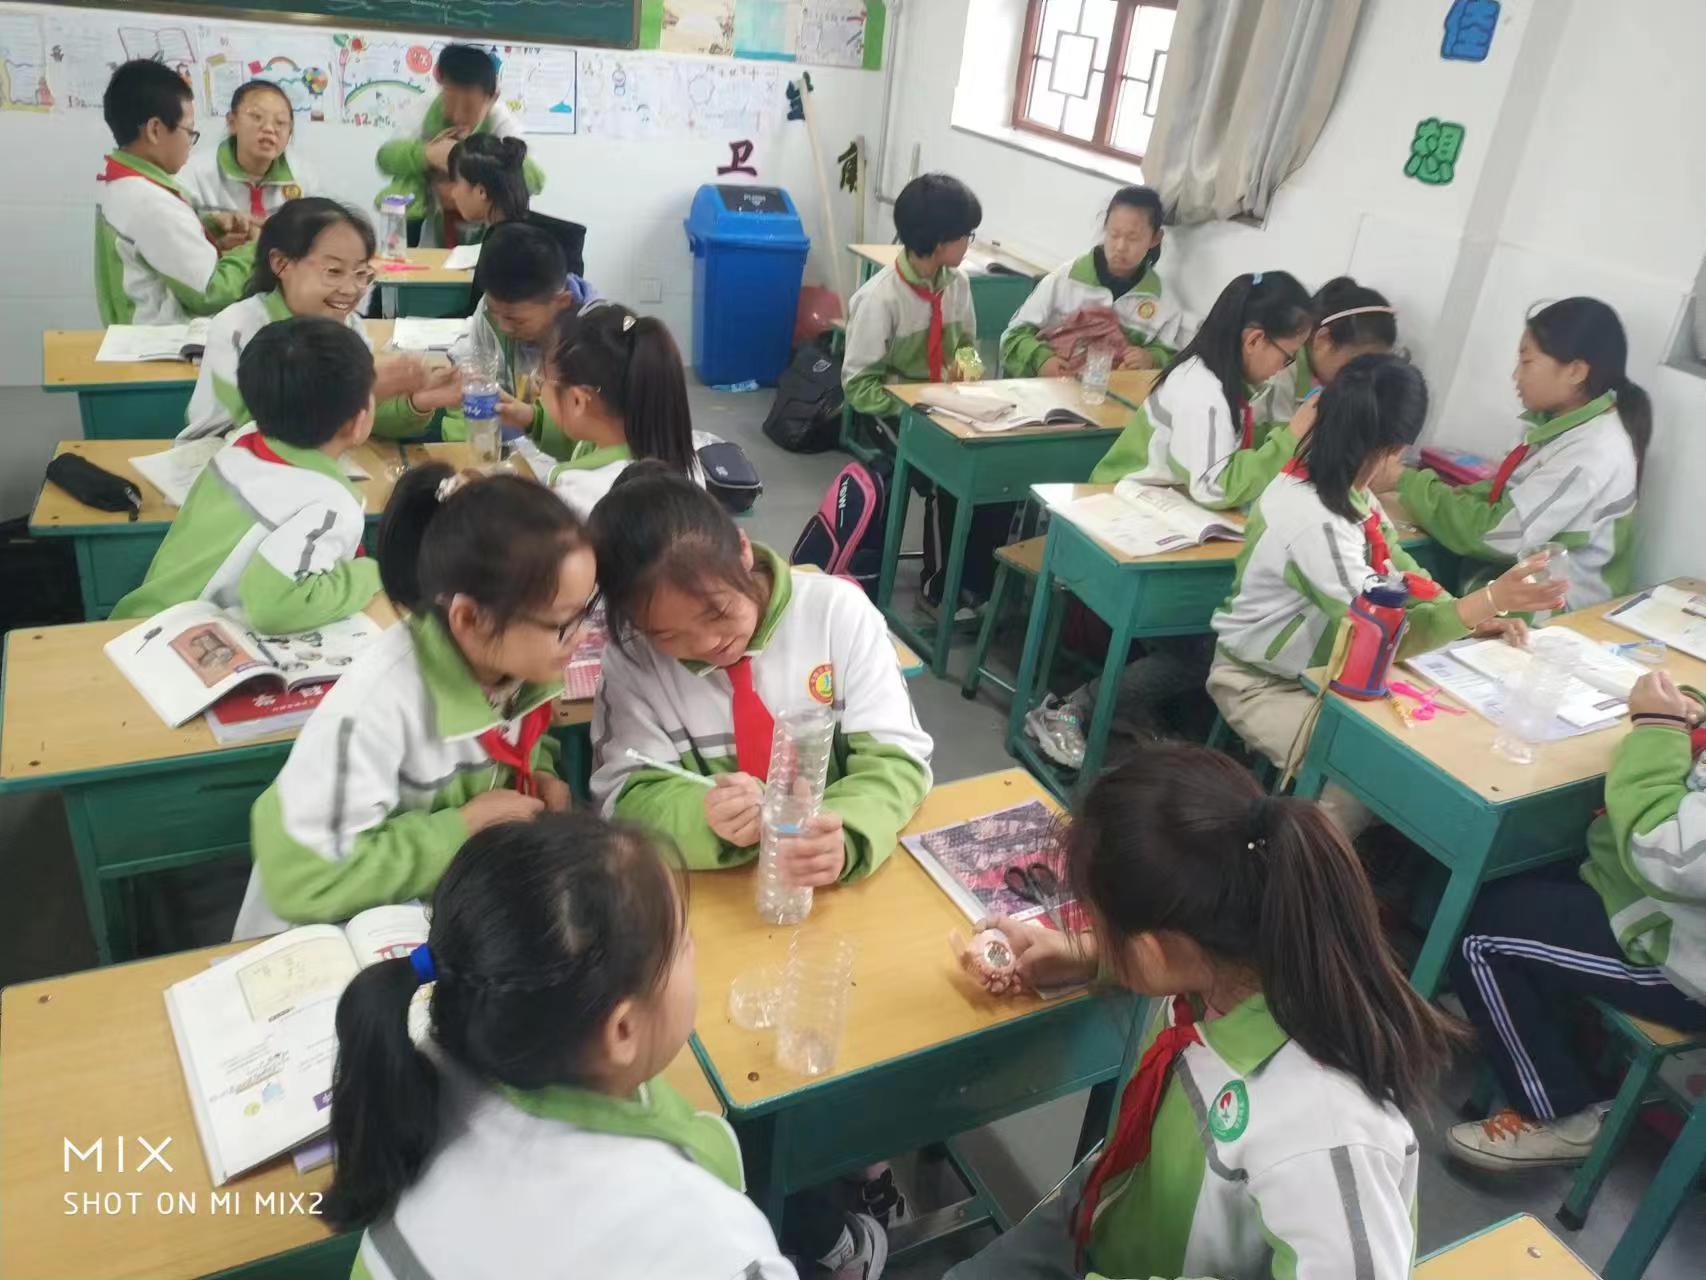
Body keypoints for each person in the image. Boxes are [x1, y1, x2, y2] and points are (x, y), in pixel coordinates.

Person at [949, 743, 1463, 1279]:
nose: (1090, 933)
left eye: (1097, 925)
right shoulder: (1244, 956)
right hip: (1110, 1210)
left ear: (1153, 950)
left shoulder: (1328, 1131)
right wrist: (1088, 954)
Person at [324, 813, 798, 1279]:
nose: (693, 946)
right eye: (680, 944)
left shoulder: (430, 1076)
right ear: (622, 1031)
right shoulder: (705, 1241)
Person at [1206, 354, 1566, 839]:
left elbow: (1400, 570)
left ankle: (1342, 859)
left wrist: (1467, 614)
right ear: (1393, 449)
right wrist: (1486, 601)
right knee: (1368, 774)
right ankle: (1299, 868)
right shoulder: (1314, 520)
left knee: (1425, 748)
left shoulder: (1347, 490)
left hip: (1324, 678)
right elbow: (1382, 633)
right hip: (1262, 685)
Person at [235, 464, 594, 939]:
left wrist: (538, 775)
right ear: (471, 619)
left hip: (442, 908)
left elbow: (512, 739)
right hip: (325, 938)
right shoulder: (374, 710)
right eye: (565, 622)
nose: (583, 636)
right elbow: (301, 879)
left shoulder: (517, 670)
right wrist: (462, 830)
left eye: (589, 608)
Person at [589, 465, 933, 883]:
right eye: (668, 635)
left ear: (742, 549)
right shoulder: (634, 660)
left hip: (829, 884)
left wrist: (847, 834)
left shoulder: (837, 614)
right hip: (716, 891)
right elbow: (623, 800)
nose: (708, 643)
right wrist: (703, 816)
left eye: (717, 612)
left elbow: (897, 760)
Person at [1446, 669, 1706, 1172]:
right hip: (1657, 905)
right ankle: (1510, 1017)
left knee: (1481, 936)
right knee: (1514, 872)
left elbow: (1668, 853)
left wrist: (1658, 730)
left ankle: (1558, 1114)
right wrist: (1688, 711)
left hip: (1680, 963)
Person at [111, 316, 380, 630]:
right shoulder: (331, 505)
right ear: (357, 422)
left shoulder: (243, 441)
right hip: (175, 639)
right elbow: (272, 607)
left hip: (139, 616)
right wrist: (372, 573)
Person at [1397, 297, 1651, 609]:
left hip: (1550, 613)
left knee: (1403, 590)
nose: (1516, 375)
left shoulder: (1592, 452)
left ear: (1575, 371)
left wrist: (1407, 483)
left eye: (1527, 362)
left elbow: (1498, 535)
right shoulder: (1562, 426)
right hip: (1511, 584)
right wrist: (1432, 490)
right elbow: (1503, 495)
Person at [842, 172, 1002, 616]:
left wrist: (968, 373)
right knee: (941, 476)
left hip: (943, 406)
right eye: (967, 235)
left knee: (991, 472)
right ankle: (938, 588)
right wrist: (912, 404)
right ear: (940, 241)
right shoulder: (881, 299)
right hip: (887, 410)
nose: (969, 243)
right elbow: (858, 385)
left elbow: (967, 347)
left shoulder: (958, 285)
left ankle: (976, 583)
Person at [180, 198, 461, 441]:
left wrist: (416, 402)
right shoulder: (237, 328)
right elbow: (237, 432)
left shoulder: (348, 326)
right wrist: (355, 391)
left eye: (361, 273)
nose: (351, 290)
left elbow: (361, 419)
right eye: (334, 271)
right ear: (281, 264)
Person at [1088, 271, 1314, 507]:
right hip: (1119, 498)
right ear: (1254, 340)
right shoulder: (1202, 390)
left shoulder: (1225, 379)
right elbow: (1213, 488)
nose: (1284, 367)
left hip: (1160, 497)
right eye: (1288, 356)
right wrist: (1290, 438)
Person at [95, 59, 256, 324]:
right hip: (160, 341)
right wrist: (259, 247)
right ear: (155, 130)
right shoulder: (151, 202)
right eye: (189, 132)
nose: (190, 143)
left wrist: (207, 228)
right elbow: (210, 292)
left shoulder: (118, 180)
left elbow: (152, 246)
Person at [999, 185, 1187, 378]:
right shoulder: (1066, 280)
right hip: (1053, 386)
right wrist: (1042, 360)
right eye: (1114, 235)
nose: (1120, 246)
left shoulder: (1163, 303)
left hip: (1112, 394)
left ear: (1155, 239)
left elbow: (1171, 357)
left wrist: (1151, 358)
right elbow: (1013, 336)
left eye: (1133, 238)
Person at [441, 223, 597, 450]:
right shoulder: (492, 311)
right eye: (495, 313)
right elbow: (476, 386)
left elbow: (599, 439)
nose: (503, 326)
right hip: (516, 455)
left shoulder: (600, 341)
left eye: (516, 320)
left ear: (562, 302)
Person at [375, 43, 544, 248]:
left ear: (492, 98)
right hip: (431, 234)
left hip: (487, 238)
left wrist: (474, 173)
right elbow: (385, 157)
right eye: (449, 102)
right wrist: (427, 154)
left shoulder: (500, 119)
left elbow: (535, 178)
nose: (457, 116)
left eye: (469, 107)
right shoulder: (425, 108)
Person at [538, 303, 698, 516]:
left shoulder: (572, 491)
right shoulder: (685, 459)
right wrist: (529, 419)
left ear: (578, 400)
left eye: (541, 380)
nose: (538, 389)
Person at [444, 132, 586, 279]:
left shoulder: (502, 251)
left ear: (481, 191)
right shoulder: (519, 236)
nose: (453, 194)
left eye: (456, 183)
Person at [1261, 276, 1399, 424]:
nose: (1366, 378)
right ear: (1323, 340)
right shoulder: (1278, 377)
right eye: (1357, 366)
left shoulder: (1326, 376)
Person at [181, 80, 317, 222]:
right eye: (257, 117)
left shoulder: (303, 177)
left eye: (280, 122)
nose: (269, 128)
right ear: (232, 122)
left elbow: (317, 229)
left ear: (290, 132)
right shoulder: (193, 173)